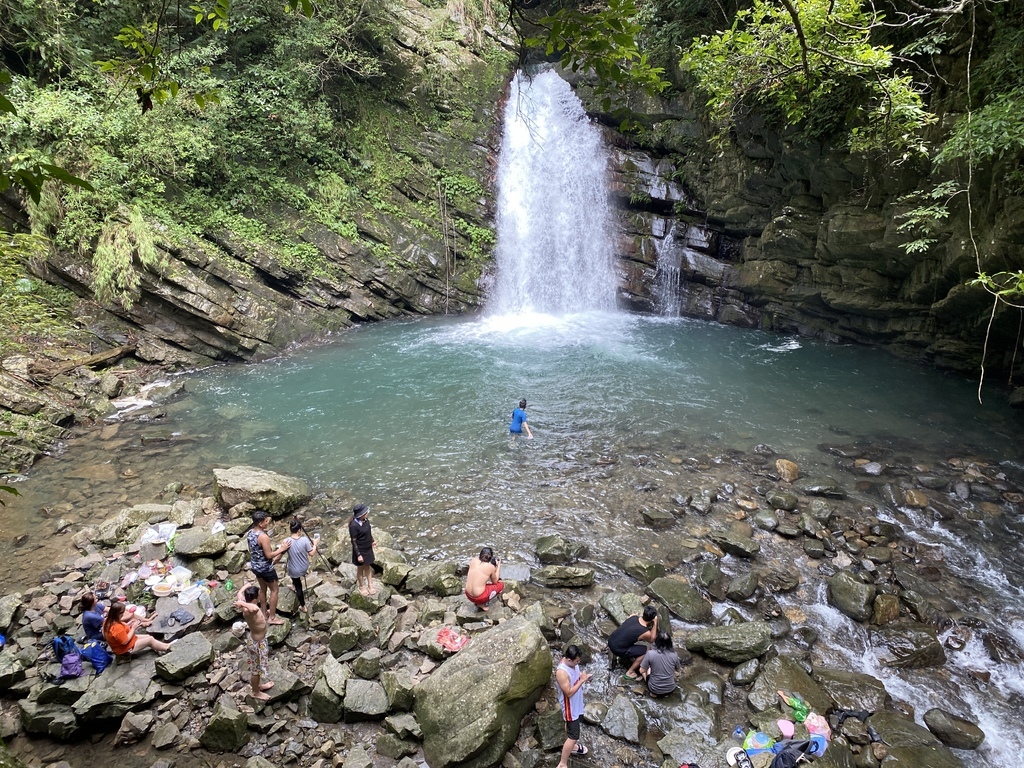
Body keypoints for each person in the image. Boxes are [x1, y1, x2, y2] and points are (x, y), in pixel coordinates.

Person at [247, 510, 292, 625]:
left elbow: (254, 550)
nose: (267, 523)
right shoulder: (263, 537)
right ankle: (272, 617)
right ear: (260, 523)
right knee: (274, 590)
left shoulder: (250, 533)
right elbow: (269, 555)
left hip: (255, 566)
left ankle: (263, 612)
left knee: (262, 588)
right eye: (266, 521)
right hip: (265, 568)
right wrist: (282, 549)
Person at [235, 584, 275, 701]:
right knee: (256, 670)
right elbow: (254, 608)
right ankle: (255, 692)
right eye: (259, 596)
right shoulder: (249, 610)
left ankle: (258, 686)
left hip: (259, 641)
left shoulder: (246, 603)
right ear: (254, 600)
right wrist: (242, 603)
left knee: (258, 667)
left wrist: (244, 587)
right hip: (256, 644)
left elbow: (239, 594)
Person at [555, 644, 592, 768]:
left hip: (576, 703)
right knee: (574, 735)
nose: (579, 662)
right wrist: (581, 681)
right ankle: (562, 763)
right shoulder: (561, 672)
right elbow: (569, 692)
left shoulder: (572, 663)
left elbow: (575, 676)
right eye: (577, 661)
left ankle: (573, 746)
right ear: (569, 659)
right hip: (570, 707)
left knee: (570, 729)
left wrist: (583, 677)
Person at [607, 604, 659, 680]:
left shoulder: (633, 616)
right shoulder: (645, 632)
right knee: (646, 650)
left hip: (610, 640)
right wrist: (655, 623)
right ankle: (630, 672)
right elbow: (652, 639)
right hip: (617, 649)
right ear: (652, 619)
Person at [102, 602, 171, 656]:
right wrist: (133, 628)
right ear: (118, 614)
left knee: (149, 636)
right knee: (150, 640)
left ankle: (159, 647)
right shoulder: (116, 627)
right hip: (125, 649)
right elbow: (124, 642)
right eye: (123, 612)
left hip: (122, 643)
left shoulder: (108, 620)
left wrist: (128, 625)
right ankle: (167, 648)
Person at [285, 517, 318, 613]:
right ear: (299, 530)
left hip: (294, 570)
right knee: (295, 575)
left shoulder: (286, 541)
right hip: (304, 567)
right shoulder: (304, 540)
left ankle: (303, 606)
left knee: (298, 584)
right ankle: (294, 586)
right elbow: (311, 553)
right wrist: (315, 544)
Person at [639, 631, 681, 696]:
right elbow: (678, 670)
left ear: (657, 641)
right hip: (670, 689)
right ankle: (665, 694)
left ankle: (653, 693)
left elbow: (641, 670)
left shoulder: (650, 653)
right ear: (670, 642)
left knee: (647, 669)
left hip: (654, 689)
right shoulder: (674, 654)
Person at [348, 503, 376, 595]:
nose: (367, 513)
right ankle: (361, 586)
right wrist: (358, 555)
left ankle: (370, 585)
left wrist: (372, 541)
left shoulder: (366, 521)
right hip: (360, 550)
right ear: (361, 515)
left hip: (367, 547)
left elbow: (369, 532)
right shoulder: (353, 526)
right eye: (365, 512)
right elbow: (354, 541)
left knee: (368, 566)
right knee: (360, 569)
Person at [465, 547, 504, 611]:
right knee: (501, 585)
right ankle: (481, 604)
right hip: (479, 598)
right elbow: (495, 581)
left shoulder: (473, 560)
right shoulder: (490, 567)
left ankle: (478, 602)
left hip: (468, 594)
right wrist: (498, 565)